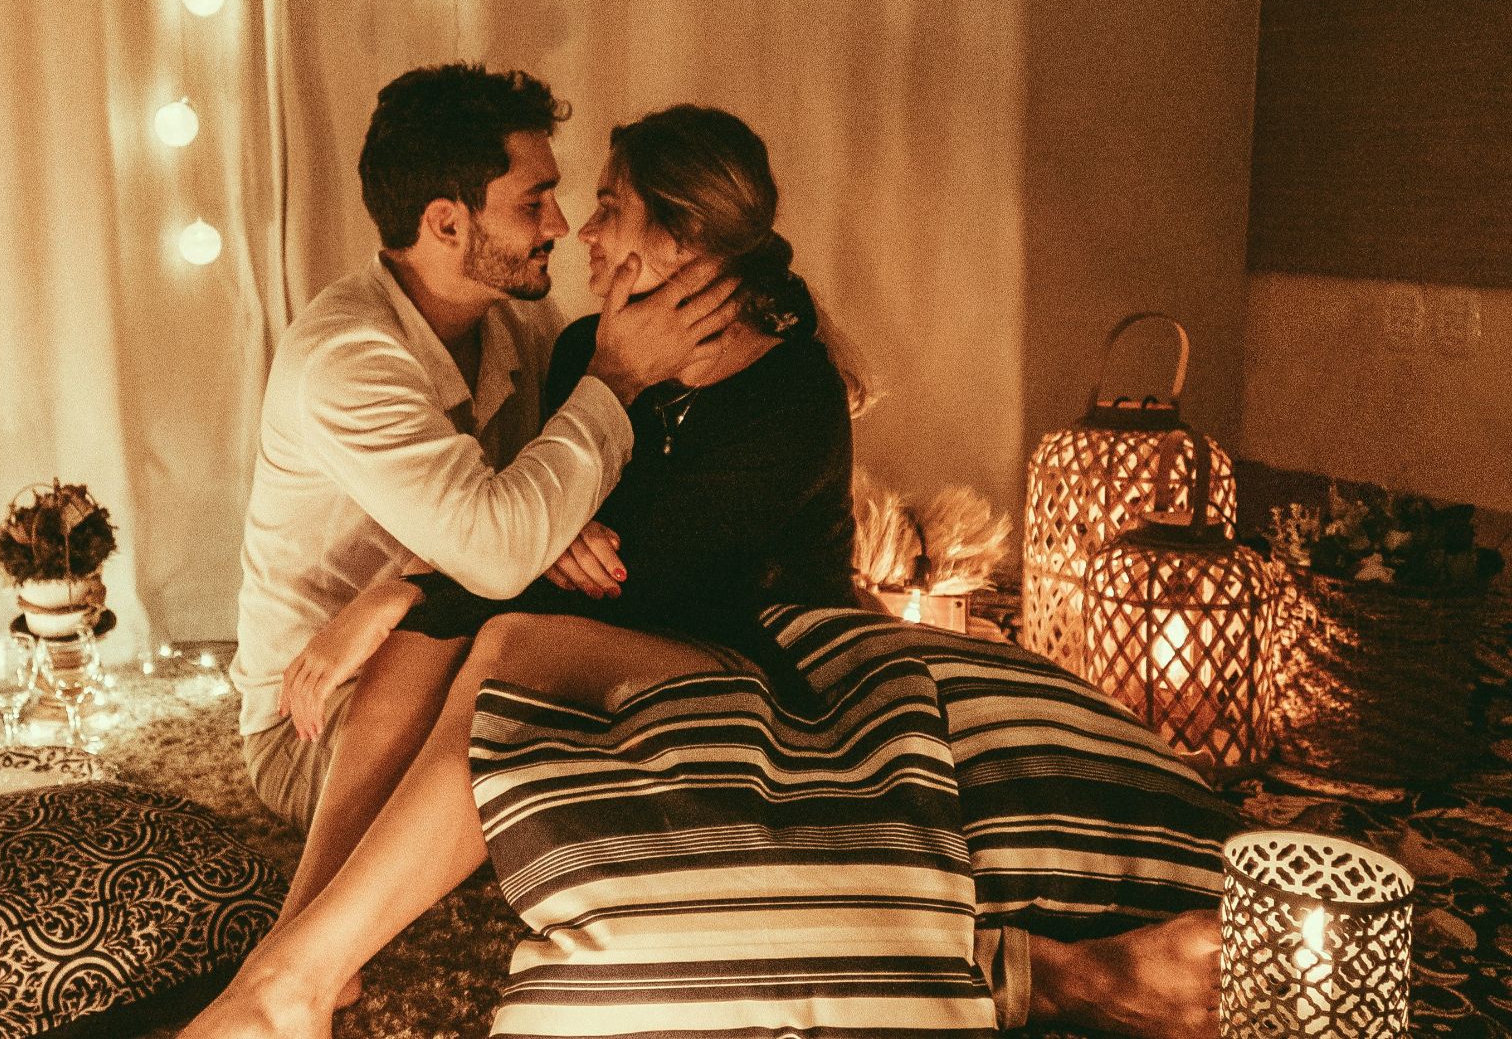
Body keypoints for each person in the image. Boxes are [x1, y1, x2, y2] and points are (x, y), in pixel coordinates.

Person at [192, 105, 1227, 1039]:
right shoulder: (586, 351)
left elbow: (646, 577)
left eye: (604, 206)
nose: (578, 232)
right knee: (450, 637)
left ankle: (293, 977)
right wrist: (454, 579)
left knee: (502, 635)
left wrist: (462, 570)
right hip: (617, 644)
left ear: (682, 241)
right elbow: (542, 528)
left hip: (756, 663)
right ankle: (296, 975)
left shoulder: (791, 391)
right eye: (555, 202)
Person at [228, 63, 737, 833]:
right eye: (534, 203)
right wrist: (617, 378)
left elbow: (542, 507)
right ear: (446, 224)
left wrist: (507, 541)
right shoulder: (348, 360)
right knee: (559, 773)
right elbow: (502, 549)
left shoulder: (517, 321)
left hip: (453, 645)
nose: (561, 226)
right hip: (319, 719)